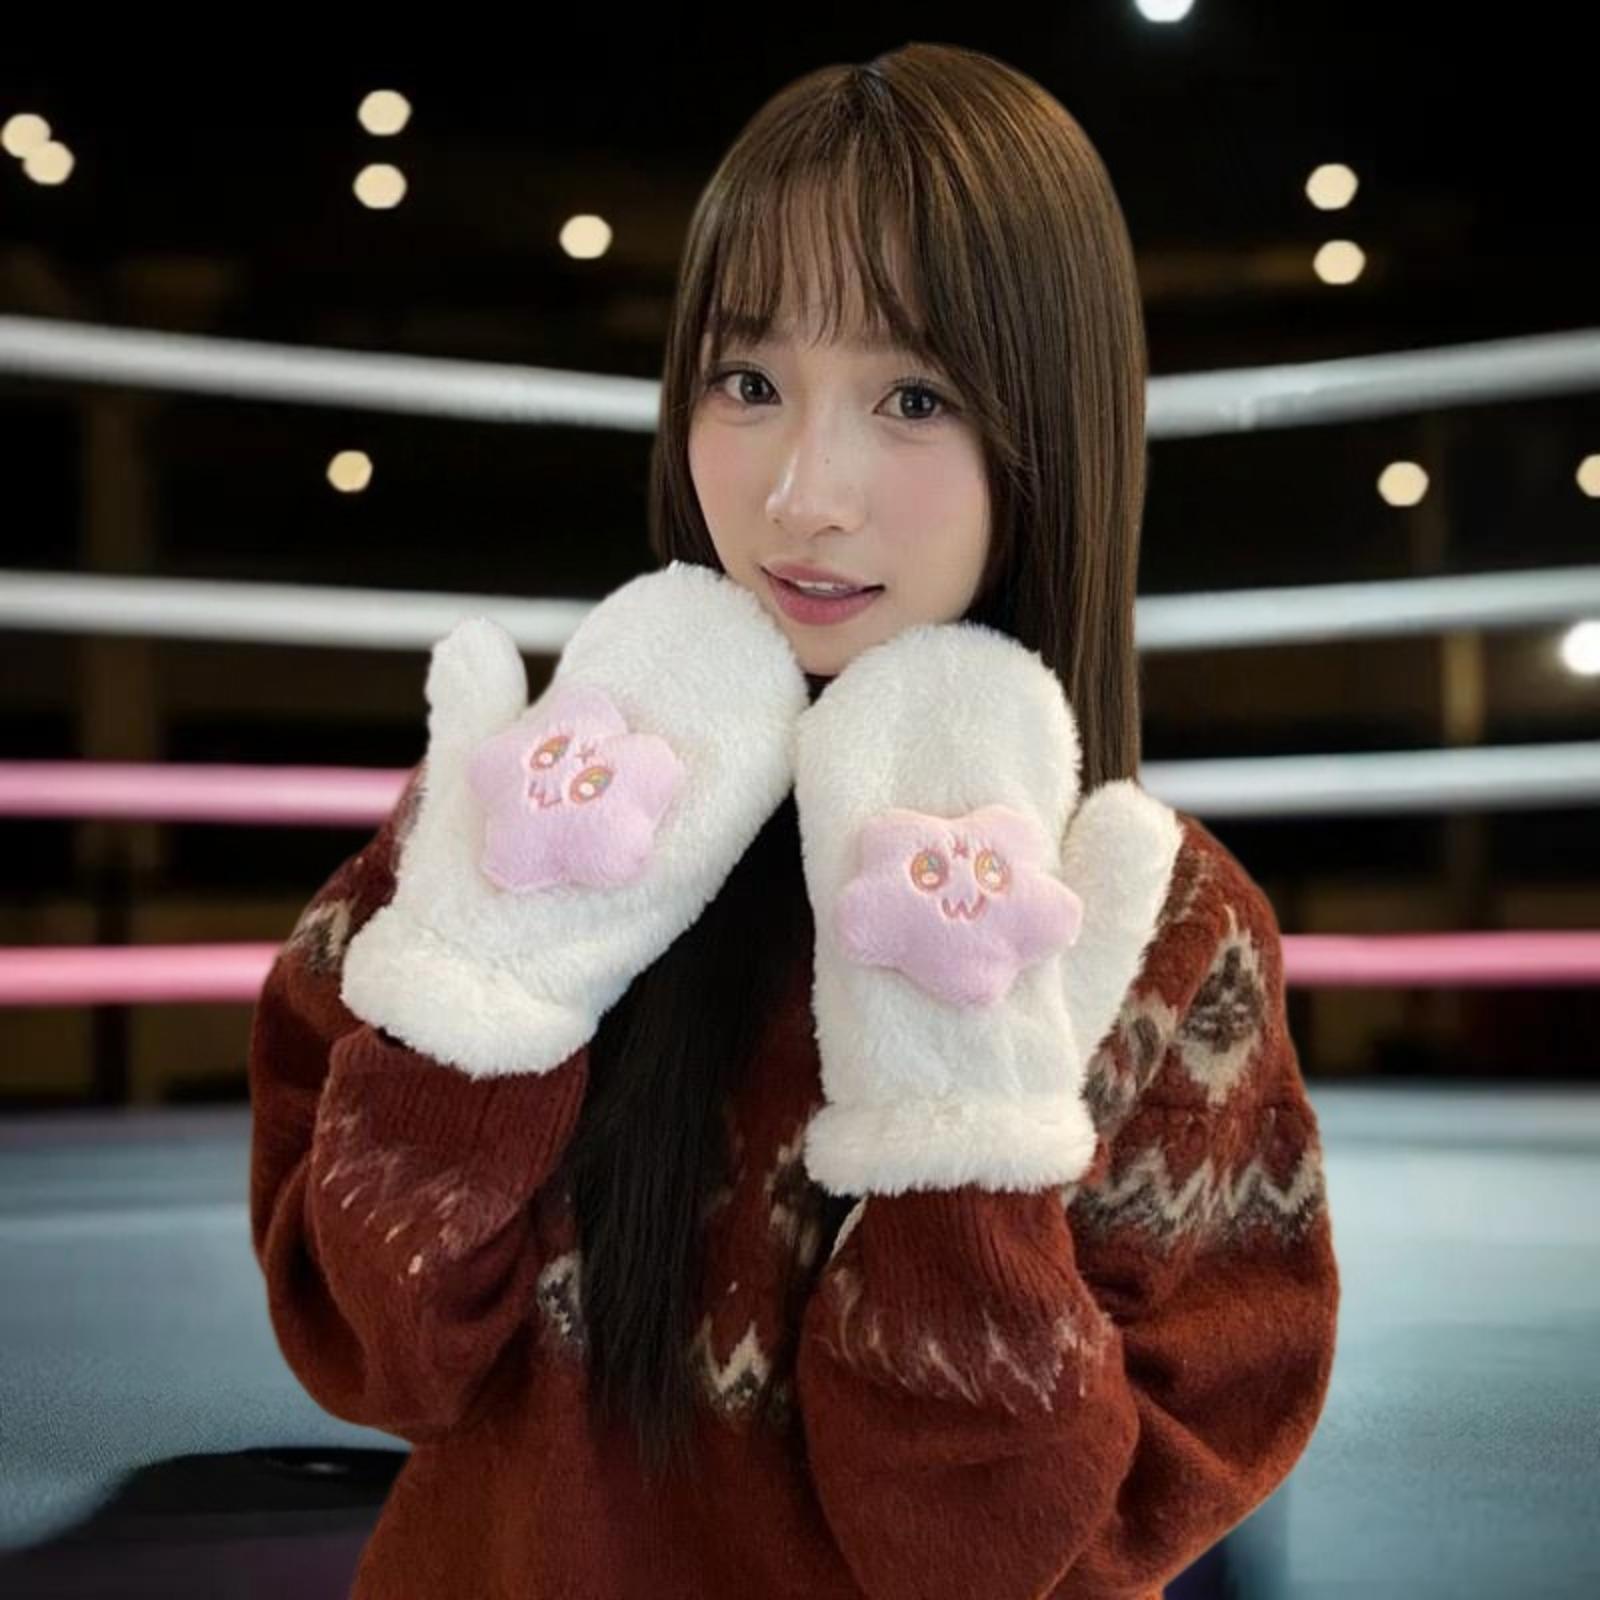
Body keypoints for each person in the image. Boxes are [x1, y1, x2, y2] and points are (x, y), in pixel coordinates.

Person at [248, 41, 1340, 1600]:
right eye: (749, 383)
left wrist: (956, 1119)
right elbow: (369, 1354)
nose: (803, 493)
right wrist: (490, 981)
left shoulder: (1159, 932)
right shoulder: (524, 804)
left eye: (915, 397)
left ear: (1052, 428)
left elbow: (996, 1558)